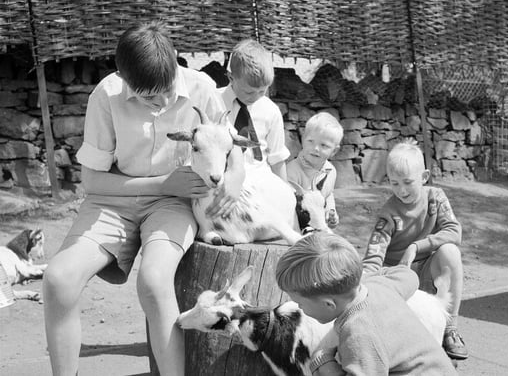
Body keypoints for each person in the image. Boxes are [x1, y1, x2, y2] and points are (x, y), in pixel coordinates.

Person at [42, 21, 245, 376]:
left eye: (165, 90)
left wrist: (235, 179)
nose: (162, 101)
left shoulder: (202, 88)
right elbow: (92, 181)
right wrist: (164, 183)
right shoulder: (105, 95)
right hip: (112, 200)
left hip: (174, 205)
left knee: (153, 281)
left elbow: (230, 146)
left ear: (174, 65)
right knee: (58, 279)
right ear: (123, 77)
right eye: (149, 96)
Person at [276, 231, 456, 376]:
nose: (299, 307)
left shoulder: (358, 334)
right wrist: (358, 278)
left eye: (300, 303)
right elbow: (407, 276)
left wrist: (322, 363)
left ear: (329, 304)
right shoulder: (378, 285)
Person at [361, 139, 468, 360]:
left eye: (408, 182)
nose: (401, 190)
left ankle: (450, 327)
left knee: (450, 252)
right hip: (400, 276)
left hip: (428, 271)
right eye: (394, 183)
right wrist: (361, 282)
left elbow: (454, 232)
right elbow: (374, 256)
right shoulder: (388, 213)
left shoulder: (436, 198)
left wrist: (415, 247)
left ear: (424, 177)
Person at [219, 38, 290, 180]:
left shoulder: (270, 111)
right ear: (231, 78)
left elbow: (277, 158)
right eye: (249, 92)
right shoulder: (215, 102)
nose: (255, 97)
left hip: (260, 180)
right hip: (222, 179)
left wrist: (286, 190)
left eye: (262, 91)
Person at [287, 112, 343, 229]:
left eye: (324, 145)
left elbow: (328, 194)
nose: (315, 148)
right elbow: (287, 205)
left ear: (334, 151)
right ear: (303, 139)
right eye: (310, 141)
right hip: (297, 227)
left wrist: (330, 211)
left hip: (318, 226)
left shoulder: (331, 171)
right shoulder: (292, 170)